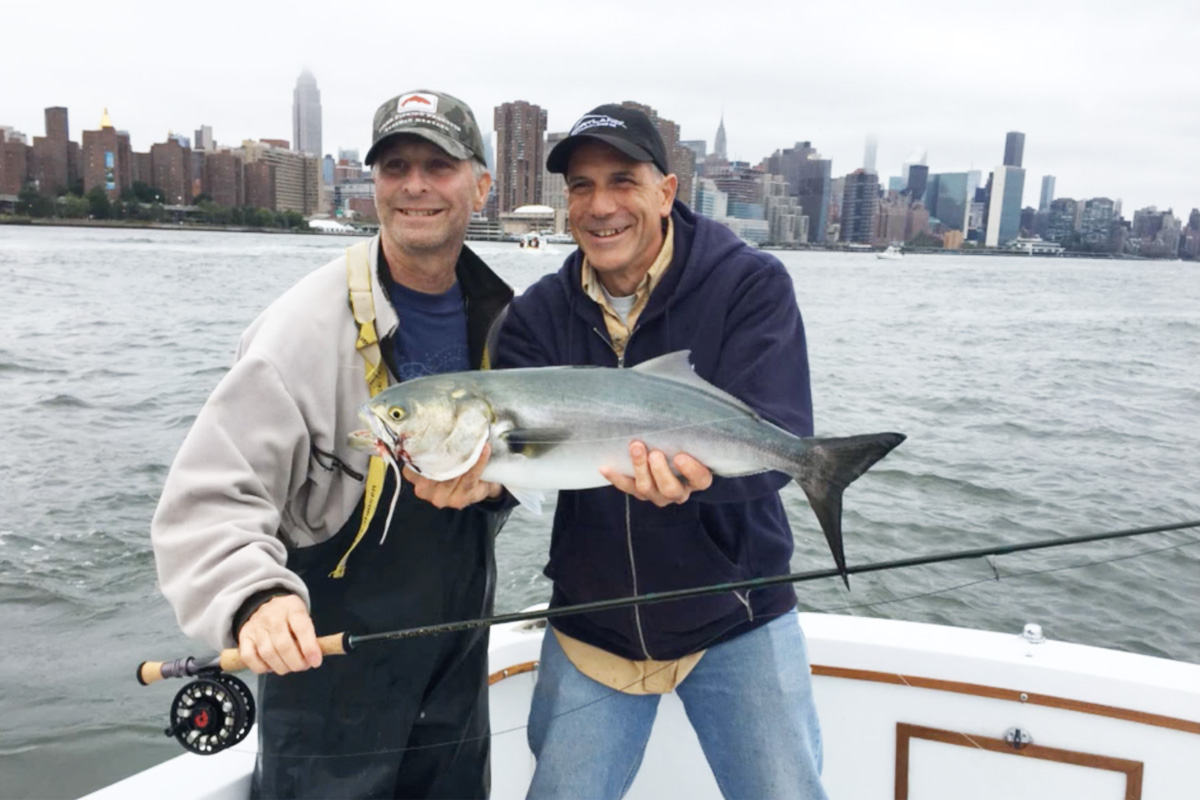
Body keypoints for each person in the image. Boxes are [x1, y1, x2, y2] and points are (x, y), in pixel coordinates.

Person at [150, 90, 513, 799]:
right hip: (326, 688)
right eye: (395, 166)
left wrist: (499, 483)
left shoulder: (505, 323)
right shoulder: (299, 331)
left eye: (438, 166)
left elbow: (526, 463)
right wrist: (256, 600)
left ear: (481, 186)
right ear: (372, 183)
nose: (414, 185)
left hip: (456, 678)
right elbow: (208, 499)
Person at [494, 104, 829, 800]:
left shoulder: (749, 284)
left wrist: (701, 482)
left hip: (739, 613)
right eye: (581, 186)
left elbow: (781, 429)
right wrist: (472, 484)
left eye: (623, 180)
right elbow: (518, 465)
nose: (601, 206)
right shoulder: (534, 317)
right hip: (592, 621)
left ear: (666, 191)